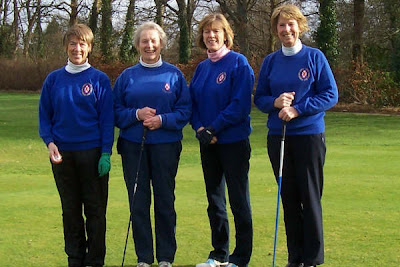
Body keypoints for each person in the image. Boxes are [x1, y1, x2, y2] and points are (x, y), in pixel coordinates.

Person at [254, 4, 338, 267]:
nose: (286, 29)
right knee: (288, 198)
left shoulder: (315, 57)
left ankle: (312, 259)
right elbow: (260, 99)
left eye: (291, 24)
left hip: (308, 136)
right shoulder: (270, 61)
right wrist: (276, 103)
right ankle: (296, 258)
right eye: (281, 24)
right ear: (276, 29)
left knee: (309, 197)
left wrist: (298, 109)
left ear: (300, 26)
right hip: (278, 138)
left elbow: (330, 94)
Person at [113, 21, 191, 267]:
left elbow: (185, 111)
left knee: (165, 201)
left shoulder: (174, 74)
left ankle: (166, 257)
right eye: (144, 41)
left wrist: (162, 120)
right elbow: (115, 112)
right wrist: (136, 115)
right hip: (133, 146)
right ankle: (144, 258)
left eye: (153, 41)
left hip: (166, 146)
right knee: (138, 202)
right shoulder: (127, 77)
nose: (149, 45)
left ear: (161, 44)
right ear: (137, 45)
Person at [38, 24, 114, 267]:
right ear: (66, 47)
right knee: (70, 211)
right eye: (73, 43)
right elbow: (44, 117)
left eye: (82, 44)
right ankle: (75, 258)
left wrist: (105, 153)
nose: (77, 48)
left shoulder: (99, 79)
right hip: (62, 155)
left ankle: (95, 260)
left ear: (89, 47)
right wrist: (49, 143)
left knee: (95, 211)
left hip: (92, 155)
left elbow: (106, 121)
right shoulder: (53, 80)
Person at [190, 13, 254, 267]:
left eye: (216, 31)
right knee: (215, 201)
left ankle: (240, 257)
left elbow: (239, 105)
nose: (211, 35)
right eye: (207, 31)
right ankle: (219, 254)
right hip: (208, 144)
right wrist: (200, 129)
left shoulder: (239, 63)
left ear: (226, 34)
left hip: (233, 142)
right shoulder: (202, 68)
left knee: (238, 200)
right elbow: (192, 103)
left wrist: (213, 128)